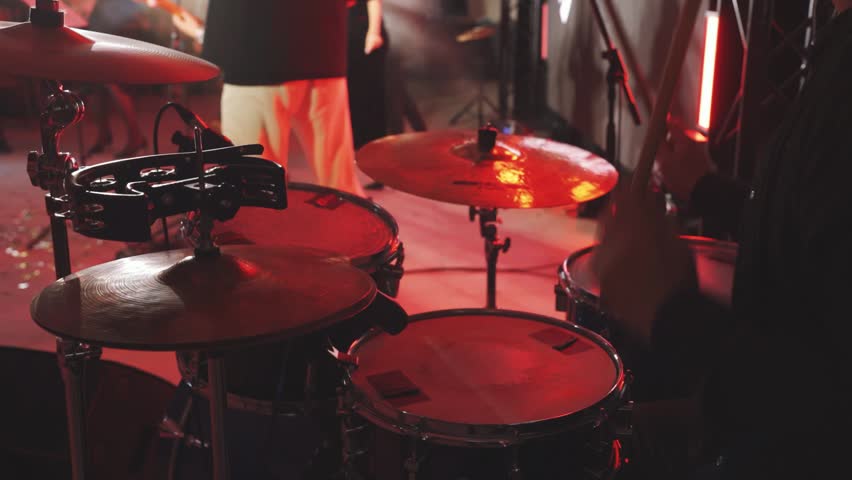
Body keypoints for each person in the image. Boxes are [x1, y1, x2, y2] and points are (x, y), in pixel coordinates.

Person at [593, 1, 852, 479]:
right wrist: (707, 188)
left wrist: (669, 312)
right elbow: (815, 230)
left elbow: (829, 399)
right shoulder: (838, 50)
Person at [170, 0, 366, 197]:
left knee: (254, 187)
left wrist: (204, 33)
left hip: (255, 58)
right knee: (341, 187)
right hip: (324, 50)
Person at [347, 0, 389, 191]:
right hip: (347, 35)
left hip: (365, 36)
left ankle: (378, 168)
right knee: (352, 102)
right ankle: (358, 164)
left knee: (371, 102)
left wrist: (374, 32)